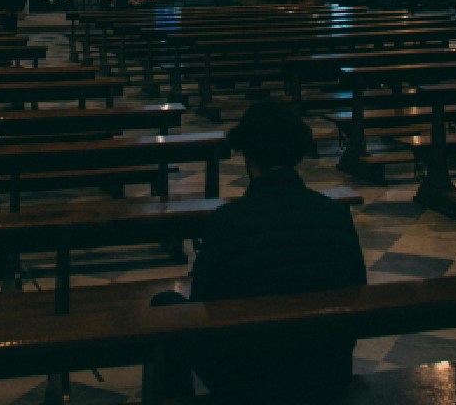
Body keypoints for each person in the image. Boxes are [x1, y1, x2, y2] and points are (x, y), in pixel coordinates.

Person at [149, 98, 366, 404]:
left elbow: (203, 308)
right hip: (327, 374)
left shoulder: (227, 222)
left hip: (248, 381)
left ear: (249, 158)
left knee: (164, 305)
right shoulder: (335, 215)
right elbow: (358, 291)